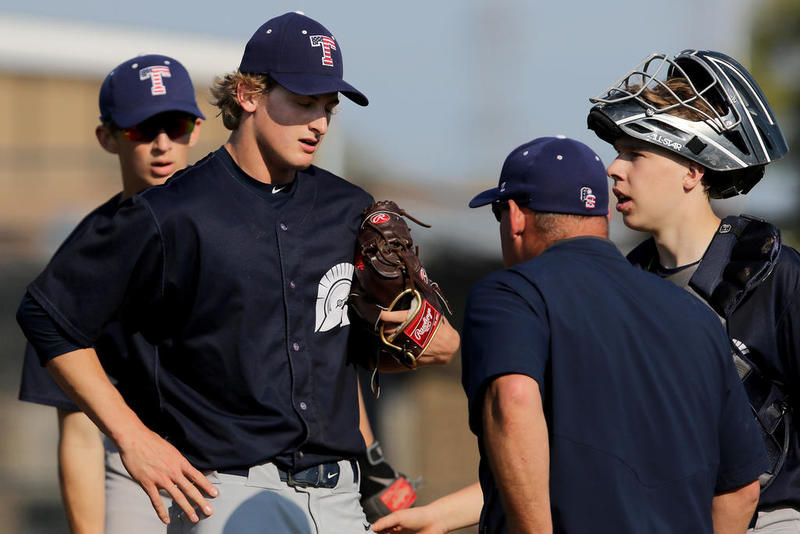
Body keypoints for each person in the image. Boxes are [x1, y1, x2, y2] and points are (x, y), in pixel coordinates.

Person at [17, 11, 458, 534]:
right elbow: (47, 315)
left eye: (327, 107)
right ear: (248, 94)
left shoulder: (348, 209)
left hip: (339, 494)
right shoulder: (172, 212)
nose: (318, 122)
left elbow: (437, 343)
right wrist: (132, 438)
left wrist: (416, 327)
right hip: (226, 488)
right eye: (302, 101)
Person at [457, 136, 765, 533]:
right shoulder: (696, 315)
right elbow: (741, 490)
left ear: (515, 216)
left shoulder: (511, 294)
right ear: (602, 216)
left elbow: (513, 400)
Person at [587, 49, 799, 532]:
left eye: (635, 153)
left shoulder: (777, 275)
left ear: (693, 170)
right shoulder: (622, 288)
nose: (613, 170)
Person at [17, 53, 205, 534]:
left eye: (176, 124)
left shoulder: (243, 224)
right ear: (108, 137)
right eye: (142, 130)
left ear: (197, 128)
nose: (163, 145)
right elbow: (79, 431)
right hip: (144, 482)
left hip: (254, 468)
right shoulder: (85, 257)